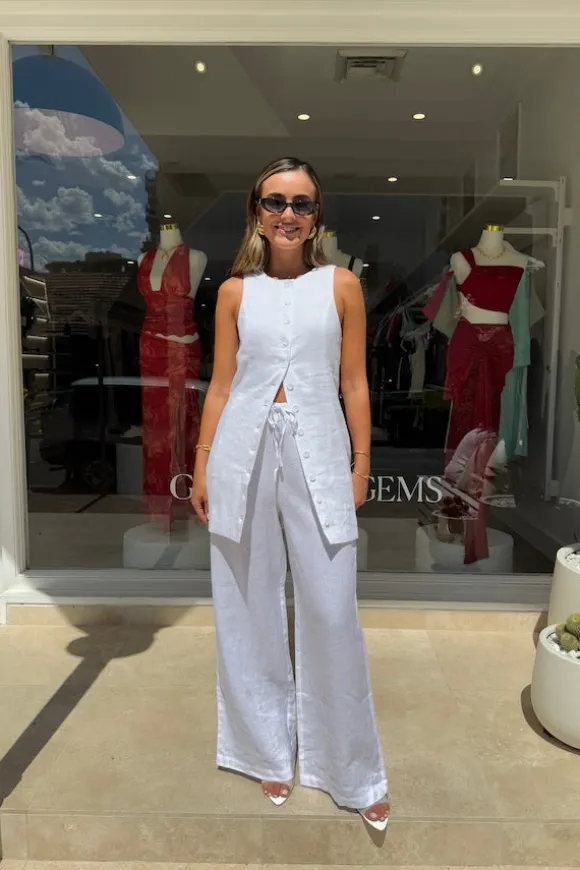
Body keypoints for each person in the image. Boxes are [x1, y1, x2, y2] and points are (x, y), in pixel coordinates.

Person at [191, 156, 389, 830]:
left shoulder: (341, 285)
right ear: (256, 212)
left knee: (331, 610)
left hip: (320, 452)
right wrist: (202, 463)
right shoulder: (234, 293)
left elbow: (354, 383)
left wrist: (361, 464)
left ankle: (351, 769)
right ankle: (265, 751)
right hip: (240, 451)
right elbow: (221, 385)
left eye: (301, 204)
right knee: (247, 604)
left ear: (316, 217)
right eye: (275, 202)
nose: (288, 215)